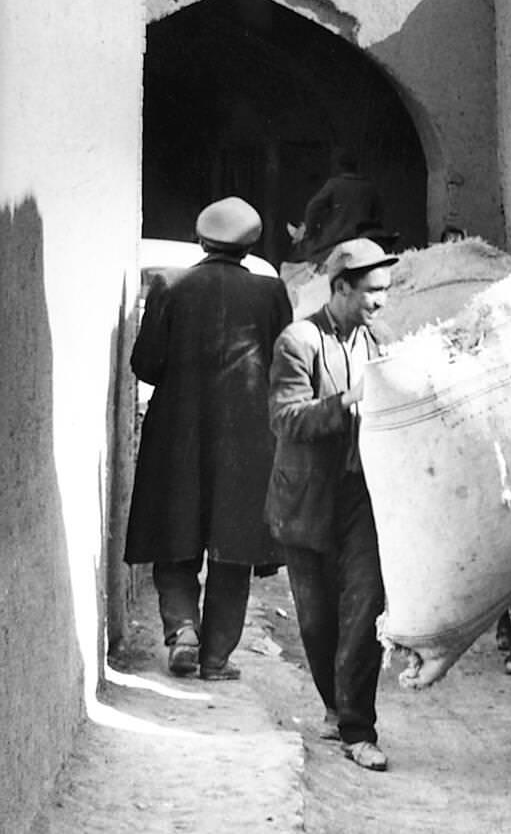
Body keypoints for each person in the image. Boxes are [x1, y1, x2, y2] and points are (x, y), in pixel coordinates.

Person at [125, 196, 292, 680]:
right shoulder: (272, 293)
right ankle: (216, 657)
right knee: (233, 546)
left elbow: (146, 364)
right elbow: (284, 368)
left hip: (176, 434)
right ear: (248, 245)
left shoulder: (169, 287)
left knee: (174, 536)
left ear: (201, 240)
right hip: (248, 440)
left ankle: (183, 631)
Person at [265, 237, 399, 771]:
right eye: (372, 292)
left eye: (385, 291)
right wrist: (346, 403)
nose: (380, 303)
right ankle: (332, 704)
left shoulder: (382, 341)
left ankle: (357, 729)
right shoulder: (298, 342)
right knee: (318, 624)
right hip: (308, 500)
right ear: (341, 288)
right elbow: (284, 418)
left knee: (363, 612)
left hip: (364, 500)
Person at [293, 147, 385, 265]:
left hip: (337, 240)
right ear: (357, 166)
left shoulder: (334, 185)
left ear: (339, 166)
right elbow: (379, 216)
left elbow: (312, 208)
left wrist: (312, 232)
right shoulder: (369, 187)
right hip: (366, 241)